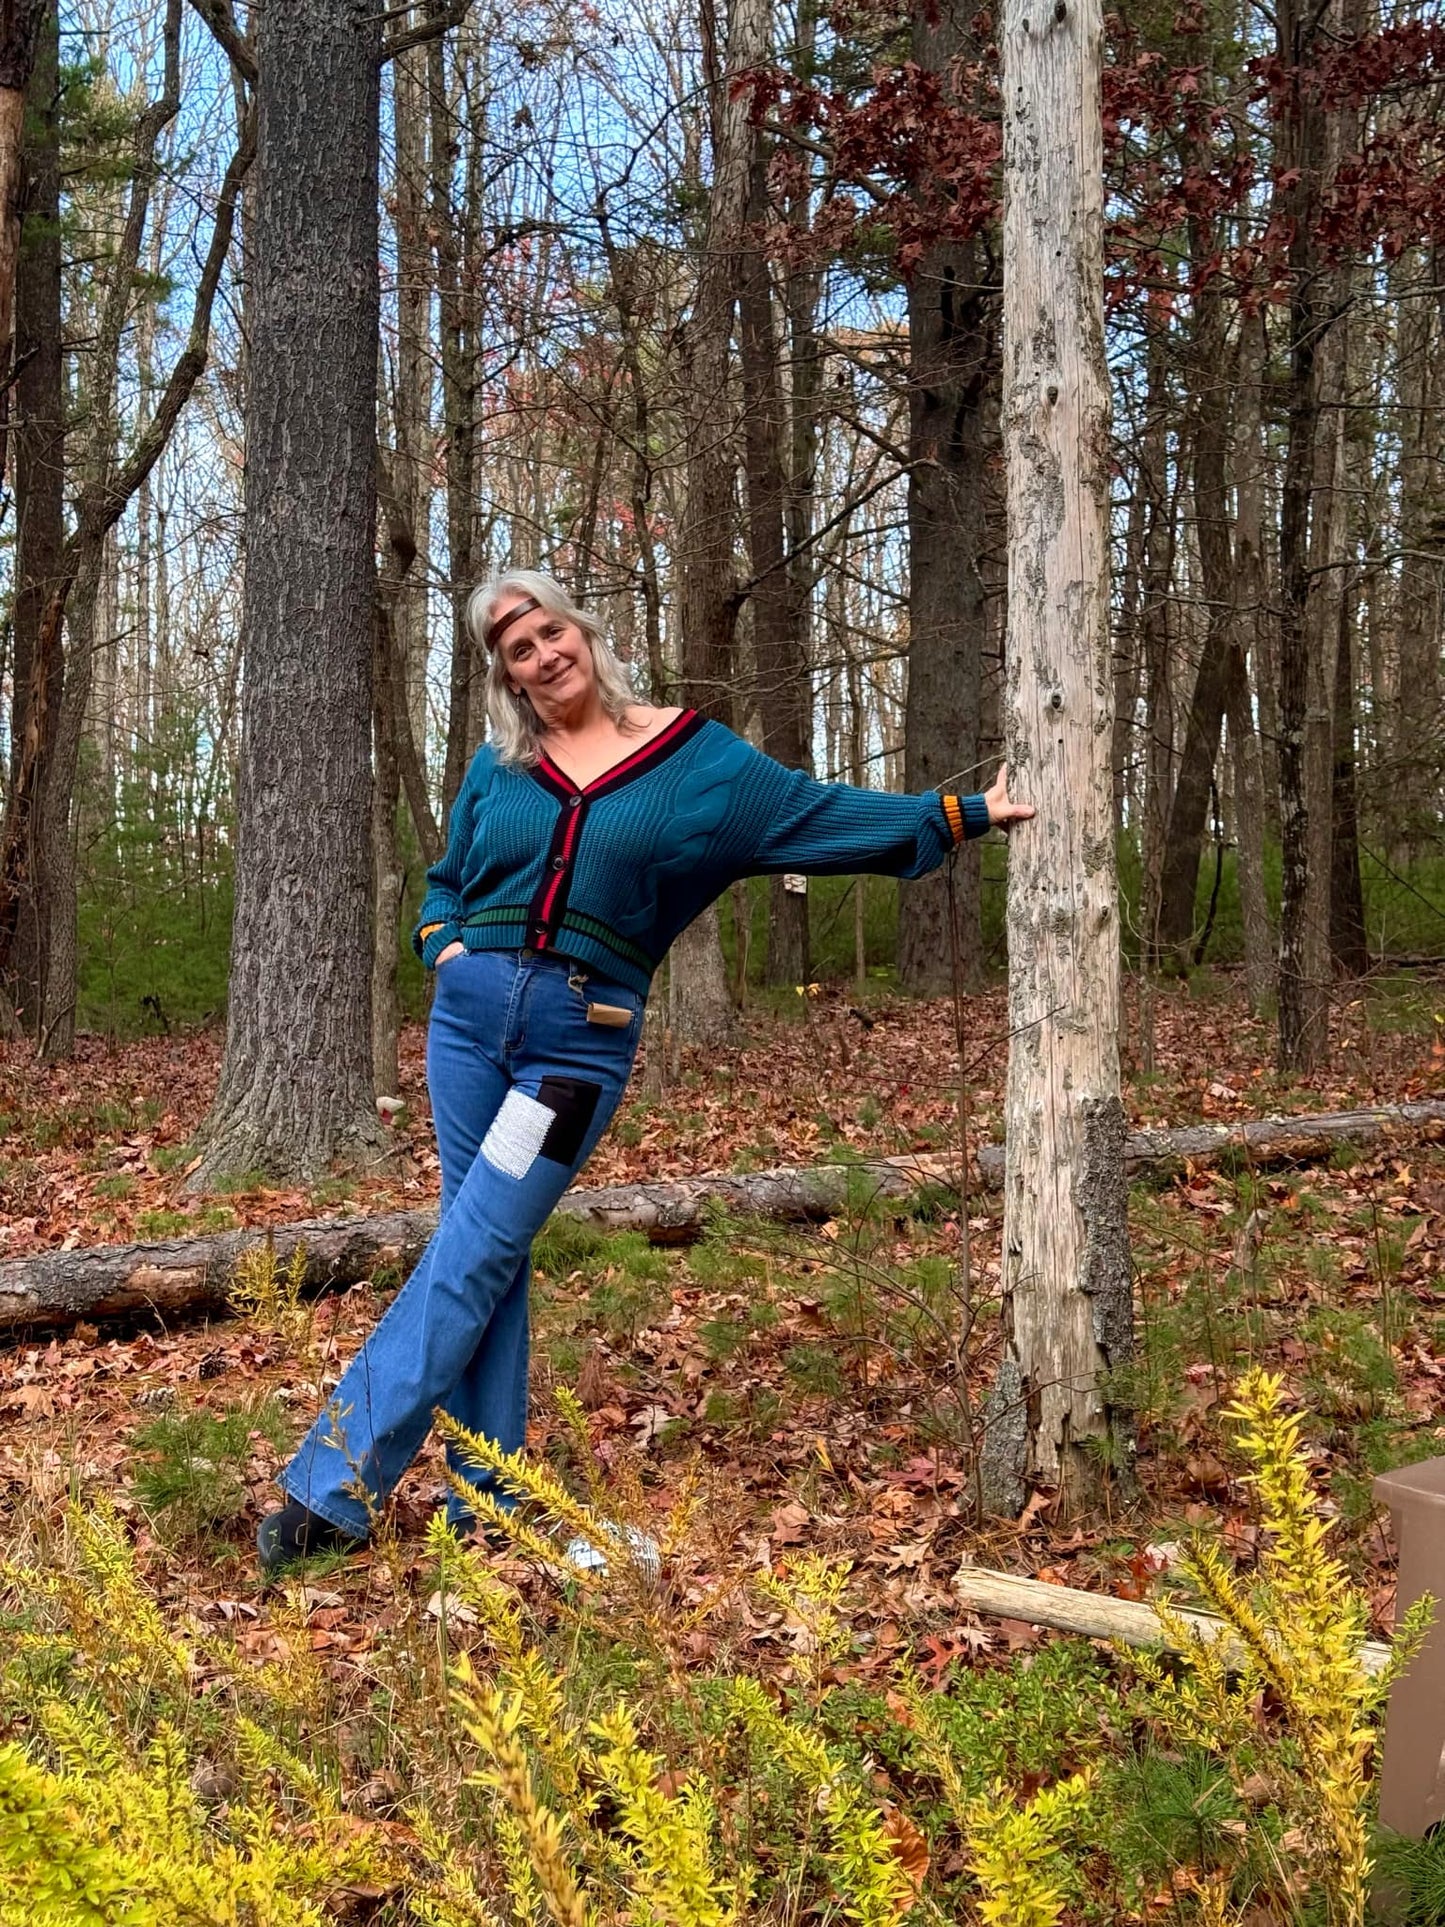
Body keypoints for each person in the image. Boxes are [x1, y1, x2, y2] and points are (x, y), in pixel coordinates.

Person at [257, 570, 1035, 1573]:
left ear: (582, 632)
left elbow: (813, 812)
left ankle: (332, 1485)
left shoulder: (691, 760)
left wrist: (960, 813)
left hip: (570, 1051)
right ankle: (489, 1494)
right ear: (507, 679)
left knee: (476, 1246)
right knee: (482, 1252)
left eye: (549, 632)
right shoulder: (499, 766)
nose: (542, 656)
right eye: (516, 651)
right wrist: (442, 948)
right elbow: (446, 880)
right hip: (464, 1031)